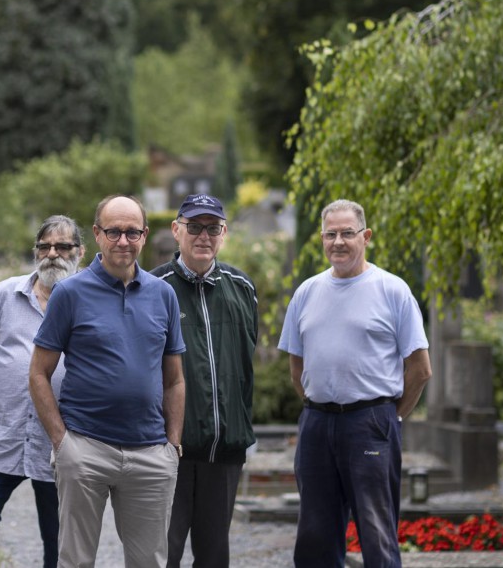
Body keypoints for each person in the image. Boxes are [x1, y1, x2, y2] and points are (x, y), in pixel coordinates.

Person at [29, 195, 186, 568]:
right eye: (113, 231)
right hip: (85, 449)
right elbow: (38, 373)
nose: (123, 241)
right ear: (97, 235)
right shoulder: (70, 293)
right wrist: (62, 442)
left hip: (150, 453)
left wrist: (173, 446)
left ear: (145, 236)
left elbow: (175, 380)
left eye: (132, 232)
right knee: (76, 561)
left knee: (149, 562)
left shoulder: (163, 295)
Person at [277, 199, 432, 568]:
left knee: (375, 531)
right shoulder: (306, 293)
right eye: (331, 234)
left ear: (366, 236)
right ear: (321, 239)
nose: (339, 242)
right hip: (317, 424)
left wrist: (390, 416)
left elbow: (420, 368)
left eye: (348, 233)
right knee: (315, 533)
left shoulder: (392, 290)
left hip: (371, 421)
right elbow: (296, 367)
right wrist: (321, 403)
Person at [0, 215, 87, 568]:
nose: (52, 254)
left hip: (61, 442)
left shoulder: (89, 302)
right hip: (2, 435)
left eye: (62, 247)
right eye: (44, 246)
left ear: (80, 252)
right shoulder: (5, 294)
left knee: (59, 538)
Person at [150, 193, 257, 568]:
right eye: (194, 227)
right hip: (168, 451)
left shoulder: (242, 288)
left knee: (214, 557)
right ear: (176, 231)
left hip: (225, 450)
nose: (203, 236)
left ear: (223, 233)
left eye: (212, 228)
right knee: (162, 554)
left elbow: (246, 365)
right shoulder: (153, 288)